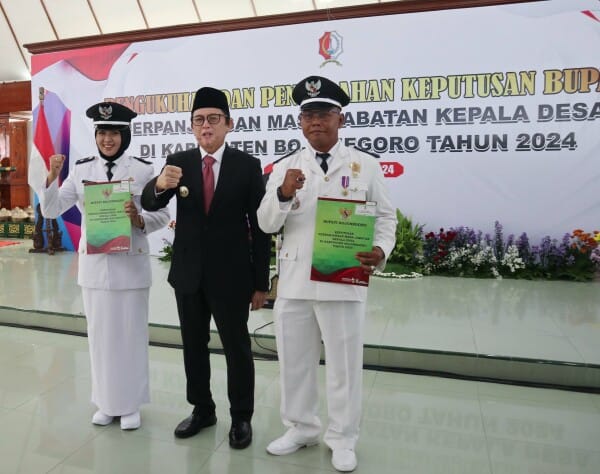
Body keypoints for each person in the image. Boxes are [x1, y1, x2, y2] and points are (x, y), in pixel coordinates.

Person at [257, 76, 397, 472]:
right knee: (294, 362)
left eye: (324, 113)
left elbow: (386, 218)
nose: (316, 121)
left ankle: (343, 437)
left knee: (344, 364)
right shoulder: (284, 167)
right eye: (308, 115)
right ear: (300, 122)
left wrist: (381, 250)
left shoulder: (366, 165)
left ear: (340, 119)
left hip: (344, 278)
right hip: (295, 280)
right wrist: (283, 194)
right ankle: (301, 428)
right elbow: (266, 223)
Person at [140, 87, 270, 449]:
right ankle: (202, 409)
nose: (206, 125)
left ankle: (241, 416)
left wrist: (261, 282)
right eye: (199, 120)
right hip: (189, 274)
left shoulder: (247, 166)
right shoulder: (178, 161)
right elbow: (151, 202)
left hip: (232, 276)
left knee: (237, 347)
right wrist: (158, 184)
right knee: (193, 345)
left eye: (214, 119)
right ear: (192, 126)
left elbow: (260, 227)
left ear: (229, 124)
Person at [40, 102, 170, 430]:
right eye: (102, 133)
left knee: (131, 337)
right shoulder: (81, 170)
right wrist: (52, 177)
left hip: (131, 267)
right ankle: (106, 403)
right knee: (100, 338)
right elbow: (51, 210)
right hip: (95, 269)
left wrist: (138, 219)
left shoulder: (143, 170)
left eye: (113, 133)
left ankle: (130, 405)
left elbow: (163, 215)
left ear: (125, 135)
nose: (107, 139)